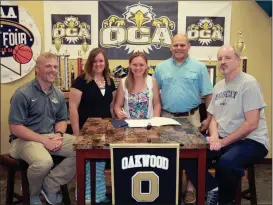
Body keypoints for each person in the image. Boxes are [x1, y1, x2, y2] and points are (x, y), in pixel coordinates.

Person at [185, 45, 269, 205]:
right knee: (189, 155)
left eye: (227, 58)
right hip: (224, 139)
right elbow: (214, 118)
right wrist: (215, 136)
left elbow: (251, 124)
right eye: (220, 58)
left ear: (238, 60)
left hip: (252, 141)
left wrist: (222, 142)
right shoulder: (218, 86)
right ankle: (213, 189)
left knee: (227, 163)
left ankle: (224, 201)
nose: (222, 62)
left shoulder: (249, 84)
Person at [8, 52, 76, 205]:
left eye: (55, 66)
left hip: (50, 136)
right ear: (37, 70)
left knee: (82, 148)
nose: (53, 70)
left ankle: (50, 185)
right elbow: (15, 128)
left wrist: (58, 134)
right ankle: (34, 194)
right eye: (48, 66)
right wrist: (44, 141)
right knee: (43, 162)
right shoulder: (23, 94)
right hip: (22, 140)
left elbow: (61, 120)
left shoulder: (58, 94)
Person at [153, 34, 213, 204]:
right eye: (175, 45)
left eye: (182, 45)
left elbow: (208, 94)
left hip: (192, 117)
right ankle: (168, 188)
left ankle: (190, 189)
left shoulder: (199, 67)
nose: (179, 48)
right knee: (166, 155)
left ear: (189, 46)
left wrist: (208, 119)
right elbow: (154, 95)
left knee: (192, 156)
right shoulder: (161, 68)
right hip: (167, 118)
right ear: (170, 47)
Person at [69, 48, 116, 204]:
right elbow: (73, 108)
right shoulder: (81, 80)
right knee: (87, 164)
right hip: (86, 129)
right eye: (95, 61)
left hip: (105, 130)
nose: (98, 64)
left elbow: (111, 106)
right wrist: (77, 134)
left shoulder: (110, 81)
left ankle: (99, 195)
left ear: (105, 63)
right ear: (90, 63)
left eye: (101, 61)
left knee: (100, 163)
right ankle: (85, 196)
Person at [114, 52, 161, 119]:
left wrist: (155, 122)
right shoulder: (123, 82)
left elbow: (157, 105)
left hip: (149, 126)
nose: (138, 68)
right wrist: (118, 112)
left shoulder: (152, 81)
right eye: (134, 65)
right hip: (129, 125)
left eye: (141, 65)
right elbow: (117, 105)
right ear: (130, 65)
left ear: (146, 66)